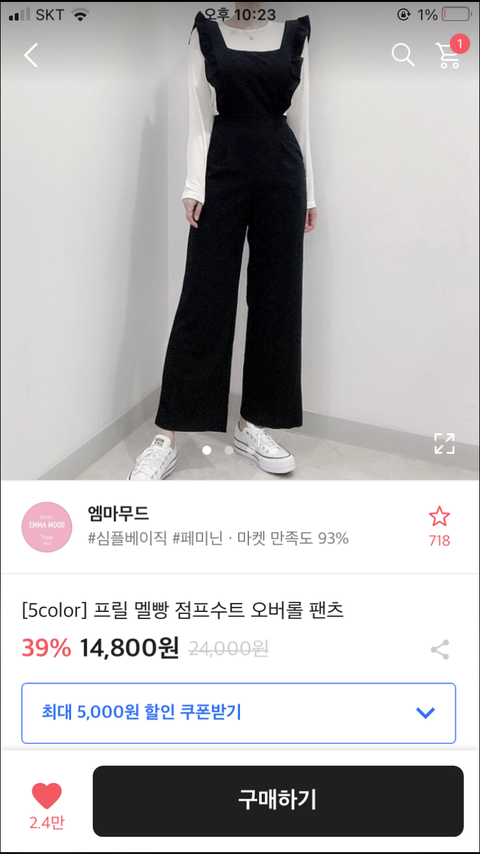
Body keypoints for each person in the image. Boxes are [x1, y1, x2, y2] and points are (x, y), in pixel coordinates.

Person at [129, 2, 317, 481]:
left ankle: (252, 424)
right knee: (203, 297)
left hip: (282, 171)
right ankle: (166, 435)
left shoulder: (295, 34)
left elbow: (301, 119)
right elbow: (198, 115)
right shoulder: (206, 32)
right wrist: (194, 185)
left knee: (276, 301)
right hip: (223, 166)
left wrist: (310, 193)